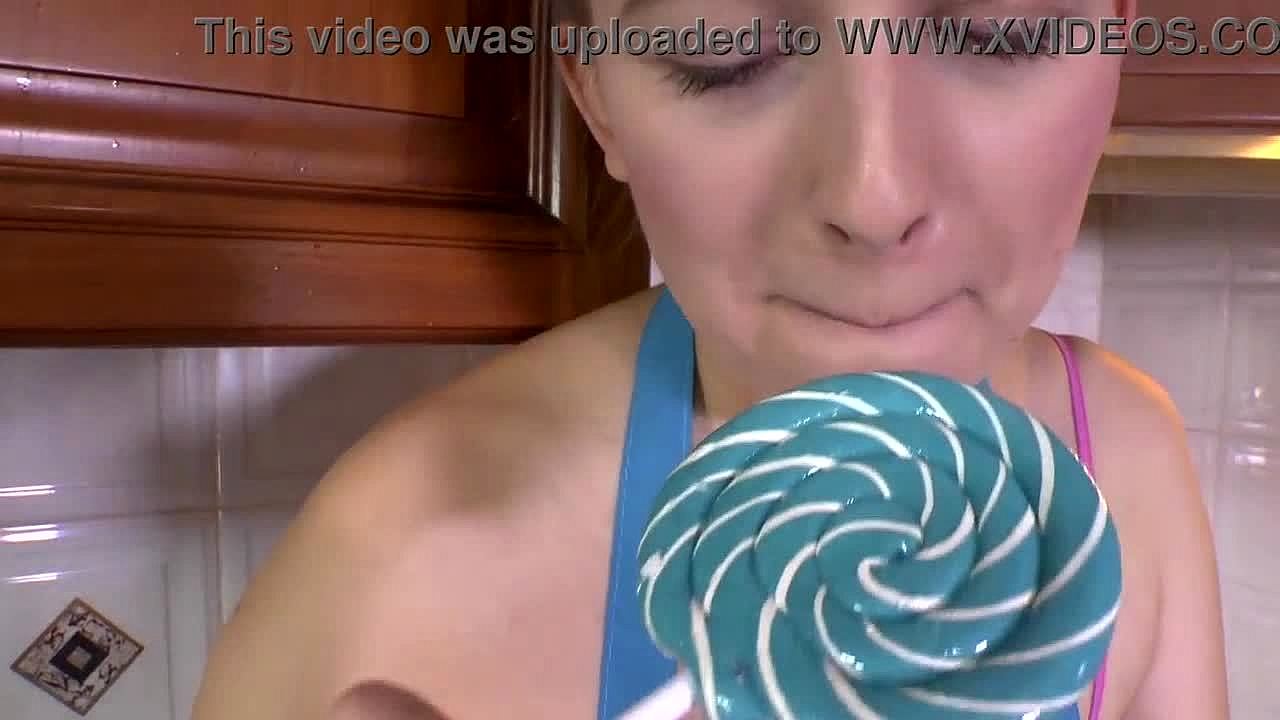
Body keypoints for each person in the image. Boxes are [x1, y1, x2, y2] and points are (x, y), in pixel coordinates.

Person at [190, 0, 1229, 718]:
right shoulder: (391, 568)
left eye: (1005, 30)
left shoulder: (1128, 456)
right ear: (597, 101)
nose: (874, 198)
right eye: (722, 48)